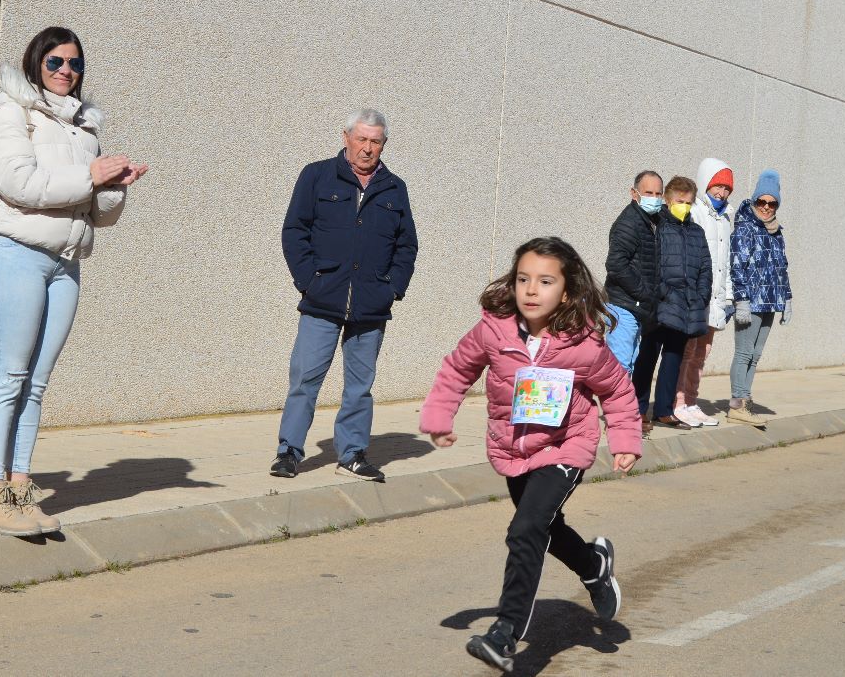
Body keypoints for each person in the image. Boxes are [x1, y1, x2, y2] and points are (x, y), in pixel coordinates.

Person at [419, 237, 640, 673]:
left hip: (566, 447)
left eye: (544, 281)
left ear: (568, 290)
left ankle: (505, 632)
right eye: (523, 279)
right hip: (513, 451)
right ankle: (594, 564)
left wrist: (626, 441)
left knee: (525, 528)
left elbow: (616, 390)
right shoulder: (494, 330)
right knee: (543, 528)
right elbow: (458, 368)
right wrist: (439, 415)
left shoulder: (584, 344)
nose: (531, 290)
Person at [0, 27, 148, 536]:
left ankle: (21, 488)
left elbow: (99, 213)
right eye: (55, 62)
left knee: (36, 383)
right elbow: (17, 183)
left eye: (74, 63)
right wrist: (91, 177)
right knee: (8, 377)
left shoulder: (85, 126)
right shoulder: (13, 111)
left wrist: (115, 185)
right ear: (35, 64)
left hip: (66, 261)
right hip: (16, 253)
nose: (66, 72)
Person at [273, 110, 418, 483]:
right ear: (346, 137)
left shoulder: (394, 187)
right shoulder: (316, 175)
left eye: (375, 141)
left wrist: (392, 288)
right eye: (362, 139)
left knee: (360, 386)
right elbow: (294, 231)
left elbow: (407, 246)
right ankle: (289, 451)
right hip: (322, 301)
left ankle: (352, 453)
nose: (368, 148)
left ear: (383, 144)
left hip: (371, 307)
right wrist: (309, 280)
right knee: (305, 378)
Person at [631, 176, 711, 431]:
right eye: (679, 201)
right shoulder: (658, 227)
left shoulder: (696, 232)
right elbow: (651, 265)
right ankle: (639, 409)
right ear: (667, 199)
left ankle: (664, 410)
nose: (684, 206)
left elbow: (705, 268)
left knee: (673, 359)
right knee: (647, 358)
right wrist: (662, 291)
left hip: (686, 306)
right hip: (661, 304)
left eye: (689, 202)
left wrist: (701, 295)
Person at [727, 170, 791, 426]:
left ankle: (745, 398)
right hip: (751, 302)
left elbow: (781, 268)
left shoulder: (776, 232)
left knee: (756, 354)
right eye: (761, 202)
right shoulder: (745, 228)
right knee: (743, 352)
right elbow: (737, 267)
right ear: (754, 201)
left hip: (770, 302)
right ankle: (736, 405)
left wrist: (787, 298)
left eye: (772, 203)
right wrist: (741, 299)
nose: (766, 207)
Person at [674, 159, 734, 426]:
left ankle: (691, 401)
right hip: (696, 298)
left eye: (727, 189)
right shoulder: (695, 211)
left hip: (715, 299)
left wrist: (728, 296)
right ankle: (677, 403)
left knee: (702, 354)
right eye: (717, 186)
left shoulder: (725, 218)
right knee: (687, 351)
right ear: (706, 183)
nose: (722, 193)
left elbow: (727, 261)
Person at [604, 171, 663, 376]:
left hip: (638, 308)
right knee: (620, 368)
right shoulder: (629, 223)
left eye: (658, 194)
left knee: (628, 364)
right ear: (634, 193)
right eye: (648, 192)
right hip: (623, 306)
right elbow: (615, 265)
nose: (654, 198)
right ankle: (617, 409)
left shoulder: (653, 222)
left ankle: (624, 409)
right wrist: (644, 292)